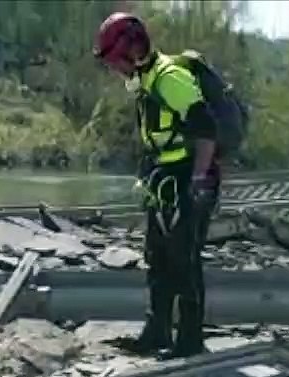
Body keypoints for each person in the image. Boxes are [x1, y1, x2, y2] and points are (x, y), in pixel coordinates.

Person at [94, 12, 219, 358]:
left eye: (113, 62)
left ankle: (190, 341)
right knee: (157, 256)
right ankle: (157, 332)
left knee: (184, 259)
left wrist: (196, 182)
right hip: (162, 177)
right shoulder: (146, 82)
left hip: (187, 177)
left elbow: (206, 129)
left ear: (131, 51)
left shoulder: (170, 78)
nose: (113, 70)